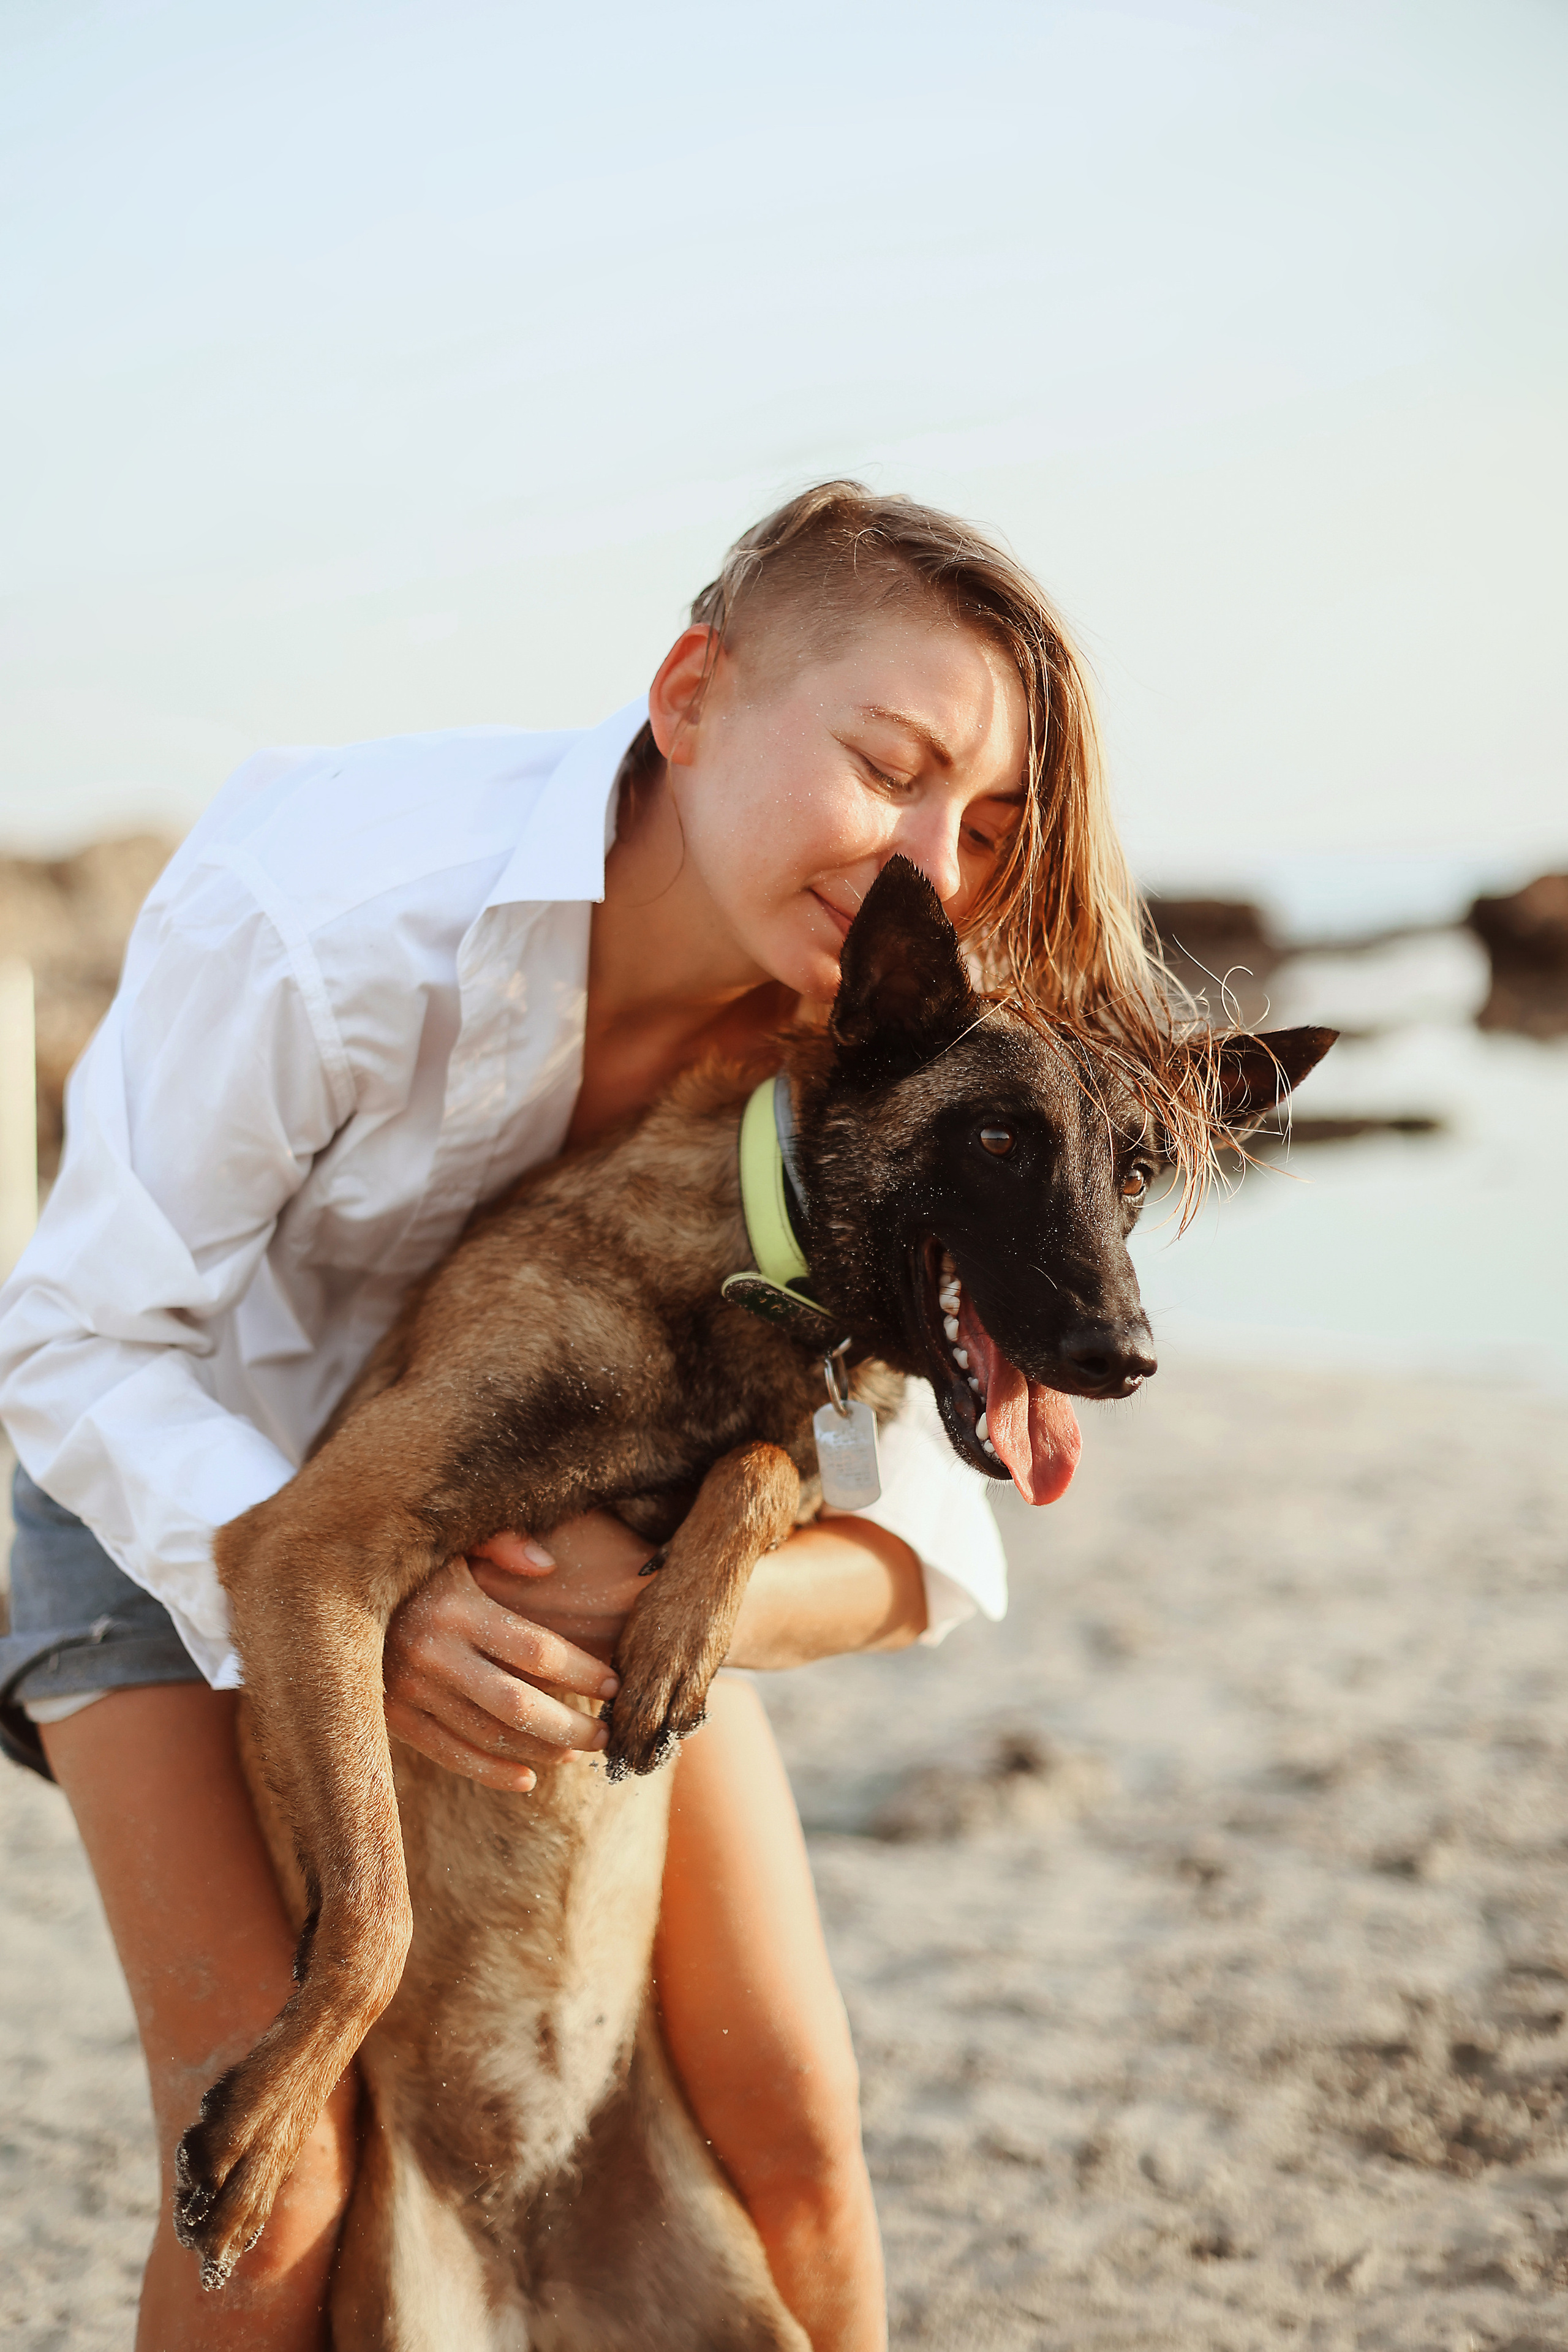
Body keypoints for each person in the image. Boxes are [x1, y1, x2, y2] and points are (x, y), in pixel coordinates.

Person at [0, 481, 1200, 2351]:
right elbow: (77, 1345)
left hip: (572, 1532)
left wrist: (643, 1606)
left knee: (795, 2117)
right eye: (889, 766)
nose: (931, 864)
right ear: (689, 691)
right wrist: (370, 1605)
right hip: (158, 1489)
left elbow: (924, 1543)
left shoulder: (866, 1037)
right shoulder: (326, 907)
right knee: (282, 2177)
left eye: (988, 827)